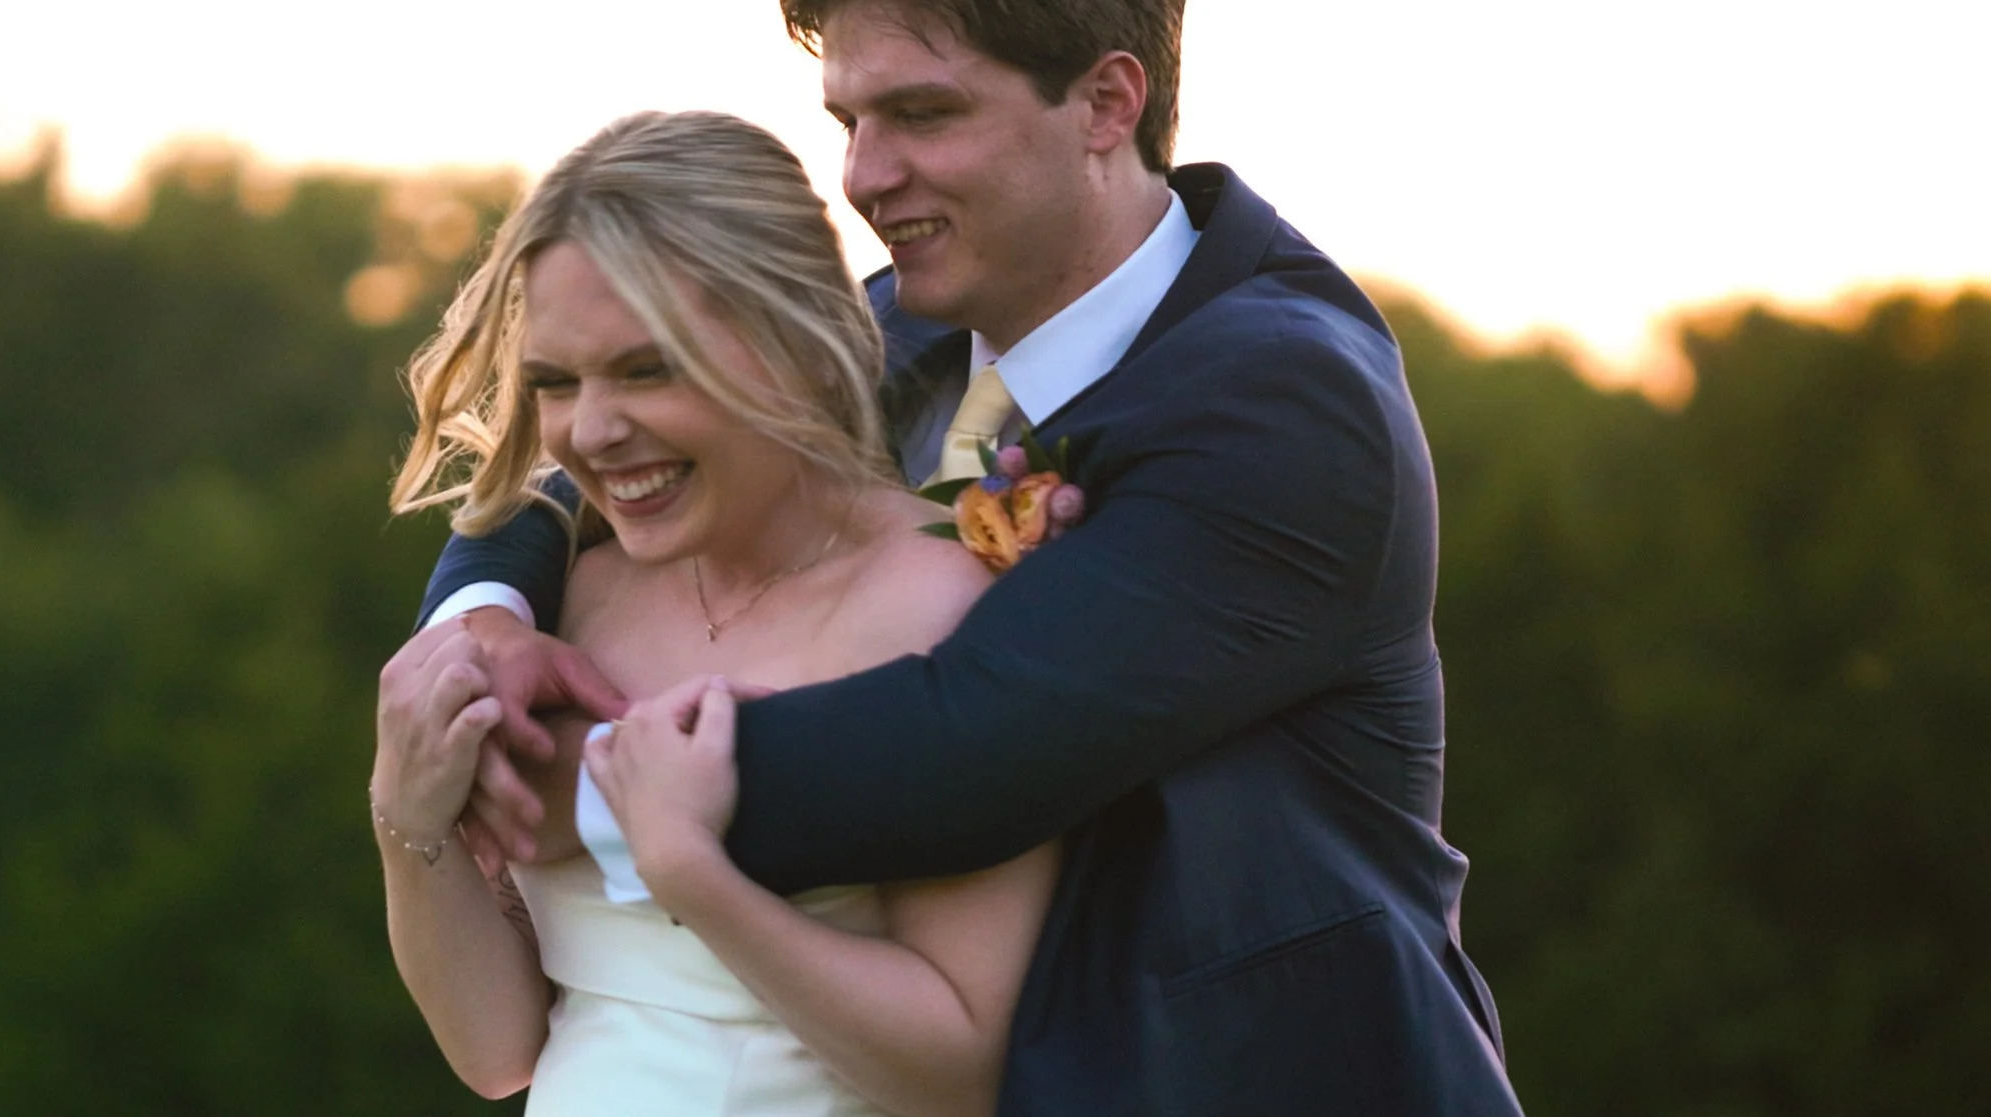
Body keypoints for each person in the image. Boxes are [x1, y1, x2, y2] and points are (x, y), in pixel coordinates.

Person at [396, 0, 1526, 1112]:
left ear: (1106, 102)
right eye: (848, 122)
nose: (863, 175)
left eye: (923, 114)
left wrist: (552, 772)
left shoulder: (1285, 400)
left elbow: (967, 746)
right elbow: (599, 457)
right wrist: (477, 626)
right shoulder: (898, 326)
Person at [371, 109, 1059, 1116]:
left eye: (648, 368)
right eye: (556, 382)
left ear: (797, 342)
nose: (592, 430)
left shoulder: (940, 604)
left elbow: (957, 1072)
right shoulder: (570, 603)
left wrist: (691, 874)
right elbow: (498, 1049)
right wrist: (403, 812)